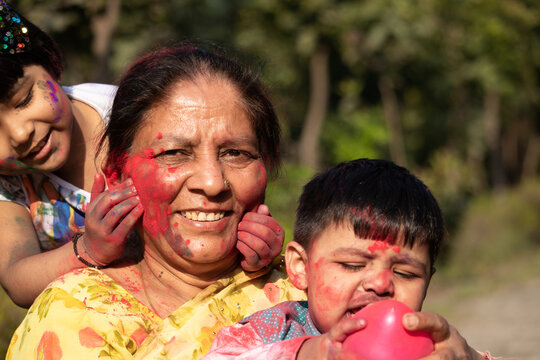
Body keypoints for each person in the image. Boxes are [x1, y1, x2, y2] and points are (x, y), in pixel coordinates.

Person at [6, 43, 306, 360]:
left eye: (236, 153)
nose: (212, 182)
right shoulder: (73, 318)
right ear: (117, 176)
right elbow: (15, 277)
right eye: (174, 153)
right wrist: (88, 249)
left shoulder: (306, 299)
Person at [0, 1, 283, 308]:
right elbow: (17, 280)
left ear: (50, 63)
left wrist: (255, 247)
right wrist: (88, 250)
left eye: (25, 99)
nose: (18, 133)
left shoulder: (137, 114)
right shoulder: (7, 184)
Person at [203, 159, 501, 360]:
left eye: (407, 273)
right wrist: (310, 353)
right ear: (299, 267)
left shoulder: (427, 346)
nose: (380, 284)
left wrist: (470, 356)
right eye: (353, 265)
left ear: (428, 282)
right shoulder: (279, 326)